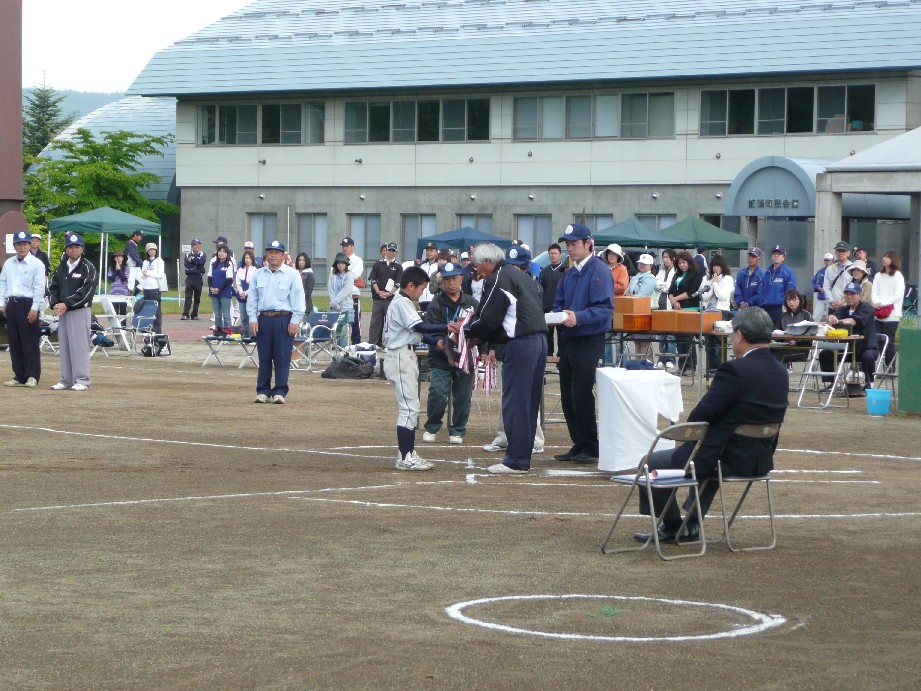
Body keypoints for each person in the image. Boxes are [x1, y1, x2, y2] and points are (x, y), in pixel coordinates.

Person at [631, 307, 788, 544]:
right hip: (758, 458)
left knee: (651, 462)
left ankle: (674, 525)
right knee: (710, 457)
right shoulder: (780, 371)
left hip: (725, 457)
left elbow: (702, 414)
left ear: (739, 335)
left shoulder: (735, 370)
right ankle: (691, 524)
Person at [463, 243, 547, 474]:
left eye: (478, 265)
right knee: (528, 402)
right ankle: (522, 454)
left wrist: (467, 332)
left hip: (520, 344)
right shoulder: (521, 277)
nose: (476, 270)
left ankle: (517, 460)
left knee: (515, 402)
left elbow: (489, 317)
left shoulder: (499, 278)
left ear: (488, 262)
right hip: (538, 341)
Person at [550, 224, 614, 464]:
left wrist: (578, 316)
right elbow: (558, 303)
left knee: (581, 393)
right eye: (567, 244)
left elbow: (605, 308)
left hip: (588, 338)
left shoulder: (600, 270)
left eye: (573, 244)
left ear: (588, 243)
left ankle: (590, 444)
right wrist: (557, 315)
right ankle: (579, 442)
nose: (570, 249)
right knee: (567, 394)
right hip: (568, 338)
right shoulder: (568, 274)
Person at [383, 266, 449, 471]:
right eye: (420, 288)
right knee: (409, 408)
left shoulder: (404, 302)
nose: (421, 293)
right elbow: (420, 327)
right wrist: (447, 327)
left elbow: (417, 333)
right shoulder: (402, 302)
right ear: (410, 285)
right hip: (400, 355)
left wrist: (435, 342)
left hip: (405, 354)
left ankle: (408, 453)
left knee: (412, 407)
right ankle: (405, 457)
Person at [422, 261, 478, 444]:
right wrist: (445, 348)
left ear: (461, 278)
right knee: (438, 393)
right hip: (440, 358)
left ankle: (458, 429)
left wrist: (483, 350)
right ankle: (432, 426)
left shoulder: (471, 303)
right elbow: (429, 331)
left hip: (465, 358)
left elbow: (481, 329)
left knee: (463, 396)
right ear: (441, 282)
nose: (451, 283)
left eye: (454, 278)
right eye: (447, 280)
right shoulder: (436, 304)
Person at [247, 239, 305, 404]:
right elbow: (253, 298)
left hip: (284, 319)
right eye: (270, 252)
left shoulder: (292, 274)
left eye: (277, 253)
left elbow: (298, 300)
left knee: (282, 356)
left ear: (283, 256)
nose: (273, 256)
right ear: (266, 255)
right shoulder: (258, 274)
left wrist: (295, 321)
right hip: (264, 318)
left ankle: (280, 390)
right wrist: (252, 318)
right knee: (264, 356)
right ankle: (263, 391)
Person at [48, 233, 96, 391]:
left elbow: (86, 291)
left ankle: (82, 379)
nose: (74, 250)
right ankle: (66, 379)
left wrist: (66, 304)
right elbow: (52, 287)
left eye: (77, 247)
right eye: (70, 247)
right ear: (66, 249)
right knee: (65, 345)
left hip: (78, 311)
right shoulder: (61, 267)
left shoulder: (88, 267)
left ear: (82, 249)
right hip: (62, 311)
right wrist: (55, 304)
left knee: (79, 346)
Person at [0, 230, 45, 387]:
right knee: (14, 341)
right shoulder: (8, 263)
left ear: (30, 245)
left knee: (29, 341)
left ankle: (32, 375)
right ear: (14, 246)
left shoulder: (37, 264)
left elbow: (39, 287)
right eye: (19, 244)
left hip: (28, 303)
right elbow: (3, 283)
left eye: (25, 244)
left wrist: (35, 308)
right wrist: (2, 303)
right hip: (12, 303)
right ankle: (19, 375)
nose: (22, 247)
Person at [821, 281, 878, 393]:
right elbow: (836, 315)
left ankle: (869, 383)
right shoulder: (844, 309)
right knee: (825, 354)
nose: (849, 297)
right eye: (847, 294)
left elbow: (853, 321)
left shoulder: (868, 308)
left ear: (860, 295)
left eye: (853, 294)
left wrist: (838, 321)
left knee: (868, 357)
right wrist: (832, 316)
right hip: (849, 349)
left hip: (866, 347)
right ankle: (833, 383)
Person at [668, 250, 704, 373]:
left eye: (684, 263)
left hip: (690, 308)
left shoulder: (695, 273)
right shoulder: (677, 275)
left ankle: (690, 366)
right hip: (677, 309)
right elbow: (670, 290)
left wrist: (676, 299)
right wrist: (673, 301)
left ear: (689, 262)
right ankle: (681, 365)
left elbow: (692, 291)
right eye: (679, 263)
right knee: (679, 339)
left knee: (688, 339)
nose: (682, 265)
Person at [699, 254, 733, 372]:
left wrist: (715, 284)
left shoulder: (727, 279)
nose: (715, 269)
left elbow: (723, 296)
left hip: (722, 312)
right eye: (713, 266)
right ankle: (710, 368)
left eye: (718, 266)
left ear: (722, 267)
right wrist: (712, 284)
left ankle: (718, 368)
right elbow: (705, 297)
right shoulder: (710, 279)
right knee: (709, 340)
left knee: (718, 340)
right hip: (709, 311)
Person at [871, 251, 905, 367]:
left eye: (888, 257)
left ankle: (890, 367)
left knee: (888, 341)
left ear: (894, 260)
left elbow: (897, 295)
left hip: (892, 314)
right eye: (884, 256)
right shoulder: (878, 275)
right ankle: (883, 365)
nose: (884, 259)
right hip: (878, 313)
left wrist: (883, 303)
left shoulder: (898, 276)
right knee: (879, 341)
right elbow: (874, 292)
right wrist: (876, 302)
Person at [368, 241, 403, 347]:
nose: (391, 252)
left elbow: (398, 282)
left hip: (390, 299)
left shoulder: (398, 266)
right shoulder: (378, 264)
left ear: (396, 252)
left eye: (393, 250)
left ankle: (389, 343)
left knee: (391, 322)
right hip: (378, 298)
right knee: (375, 322)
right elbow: (373, 279)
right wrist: (378, 291)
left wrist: (389, 293)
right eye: (389, 250)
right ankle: (374, 343)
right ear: (385, 251)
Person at [625, 253, 658, 361]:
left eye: (645, 264)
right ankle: (638, 365)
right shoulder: (635, 277)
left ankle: (646, 365)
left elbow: (642, 295)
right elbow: (627, 292)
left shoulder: (651, 278)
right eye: (640, 263)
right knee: (636, 341)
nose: (642, 265)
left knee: (644, 341)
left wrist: (631, 296)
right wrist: (628, 296)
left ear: (650, 266)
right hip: (634, 311)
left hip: (646, 311)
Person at [602, 243, 629, 366]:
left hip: (619, 307)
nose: (611, 256)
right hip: (605, 307)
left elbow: (622, 287)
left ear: (618, 256)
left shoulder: (622, 269)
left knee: (619, 338)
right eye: (609, 253)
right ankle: (607, 363)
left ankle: (621, 362)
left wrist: (606, 285)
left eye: (614, 254)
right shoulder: (603, 268)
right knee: (606, 337)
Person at [539, 243, 566, 357]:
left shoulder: (565, 271)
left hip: (560, 307)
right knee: (547, 333)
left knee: (561, 333)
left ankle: (561, 354)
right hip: (546, 306)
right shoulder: (544, 271)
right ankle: (548, 353)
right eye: (551, 253)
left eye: (555, 253)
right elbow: (540, 289)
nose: (553, 256)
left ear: (560, 255)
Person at [762, 245, 797, 329]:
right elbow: (762, 290)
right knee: (767, 330)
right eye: (774, 254)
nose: (776, 256)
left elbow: (791, 291)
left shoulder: (787, 272)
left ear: (783, 257)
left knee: (780, 331)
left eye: (779, 254)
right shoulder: (767, 272)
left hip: (780, 307)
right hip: (766, 307)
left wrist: (787, 305)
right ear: (771, 257)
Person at [338, 237, 364, 345]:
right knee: (341, 319)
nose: (345, 248)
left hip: (353, 294)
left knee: (355, 320)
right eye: (343, 246)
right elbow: (334, 276)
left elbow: (355, 276)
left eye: (347, 246)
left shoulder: (358, 260)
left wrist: (344, 277)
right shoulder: (338, 259)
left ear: (353, 247)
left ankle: (356, 342)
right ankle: (341, 342)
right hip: (340, 295)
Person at [655, 249, 678, 369]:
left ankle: (671, 358)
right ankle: (661, 358)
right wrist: (662, 286)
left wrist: (662, 286)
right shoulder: (661, 271)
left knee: (670, 335)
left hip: (670, 306)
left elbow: (670, 286)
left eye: (667, 257)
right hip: (660, 305)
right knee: (661, 334)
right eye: (663, 257)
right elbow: (655, 283)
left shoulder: (676, 272)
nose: (665, 259)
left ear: (673, 258)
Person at [328, 252, 356, 349]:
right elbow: (330, 289)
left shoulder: (349, 275)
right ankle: (335, 350)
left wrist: (336, 301)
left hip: (346, 307)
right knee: (335, 329)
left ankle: (343, 350)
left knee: (343, 330)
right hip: (334, 307)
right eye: (338, 263)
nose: (340, 265)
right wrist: (334, 303)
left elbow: (346, 290)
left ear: (346, 264)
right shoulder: (332, 275)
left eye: (342, 263)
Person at [208, 244, 235, 336]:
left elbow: (229, 279)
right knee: (217, 314)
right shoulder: (214, 264)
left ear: (227, 254)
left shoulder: (229, 264)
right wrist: (211, 288)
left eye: (223, 251)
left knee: (226, 314)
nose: (221, 253)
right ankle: (218, 331)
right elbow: (210, 276)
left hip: (224, 292)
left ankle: (229, 332)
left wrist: (219, 289)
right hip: (214, 292)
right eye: (220, 251)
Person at [139, 242, 165, 333]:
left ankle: (157, 329)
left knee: (156, 309)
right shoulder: (145, 262)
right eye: (150, 250)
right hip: (146, 288)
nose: (152, 251)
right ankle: (148, 328)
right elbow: (142, 274)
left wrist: (149, 273)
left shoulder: (159, 261)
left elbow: (161, 274)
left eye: (153, 249)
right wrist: (144, 275)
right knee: (147, 308)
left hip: (155, 288)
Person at [823, 241, 853, 313]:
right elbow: (826, 287)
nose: (841, 253)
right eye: (839, 250)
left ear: (848, 253)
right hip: (832, 306)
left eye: (843, 251)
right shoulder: (829, 269)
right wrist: (831, 301)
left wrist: (842, 302)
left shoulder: (853, 268)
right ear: (835, 252)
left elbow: (853, 289)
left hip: (847, 306)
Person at [234, 250, 258, 338]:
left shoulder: (255, 271)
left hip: (251, 296)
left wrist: (246, 292)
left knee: (251, 316)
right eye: (246, 258)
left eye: (249, 258)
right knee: (243, 317)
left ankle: (252, 336)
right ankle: (245, 336)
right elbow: (238, 283)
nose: (247, 260)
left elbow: (254, 285)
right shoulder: (240, 270)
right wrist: (241, 292)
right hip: (241, 297)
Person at [182, 238, 207, 320]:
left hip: (198, 277)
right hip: (190, 277)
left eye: (199, 245)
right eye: (196, 245)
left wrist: (193, 259)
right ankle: (185, 313)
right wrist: (196, 263)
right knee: (188, 296)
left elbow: (201, 263)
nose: (197, 246)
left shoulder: (202, 254)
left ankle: (194, 313)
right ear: (192, 246)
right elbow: (187, 266)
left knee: (197, 296)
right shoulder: (187, 254)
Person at [107, 251, 131, 317]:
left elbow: (124, 278)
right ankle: (115, 327)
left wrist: (119, 270)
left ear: (123, 258)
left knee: (123, 312)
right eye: (116, 256)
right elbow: (112, 278)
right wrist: (116, 270)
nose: (118, 258)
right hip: (114, 293)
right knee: (114, 313)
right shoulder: (111, 268)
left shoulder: (126, 267)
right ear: (114, 258)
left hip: (123, 293)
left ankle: (123, 326)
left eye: (120, 256)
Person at [811, 252, 834, 322]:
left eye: (829, 260)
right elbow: (814, 282)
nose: (827, 262)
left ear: (832, 260)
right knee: (815, 316)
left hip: (831, 298)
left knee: (829, 317)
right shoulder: (820, 272)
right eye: (826, 260)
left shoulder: (835, 271)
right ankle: (812, 329)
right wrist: (819, 288)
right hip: (821, 297)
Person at [418, 241, 440, 312]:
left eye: (431, 250)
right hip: (422, 299)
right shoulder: (422, 266)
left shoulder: (439, 266)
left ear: (436, 252)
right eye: (427, 250)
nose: (429, 252)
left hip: (434, 299)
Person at [125, 230, 143, 294]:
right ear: (135, 235)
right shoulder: (130, 243)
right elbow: (133, 255)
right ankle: (127, 299)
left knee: (143, 282)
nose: (141, 238)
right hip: (131, 266)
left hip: (136, 267)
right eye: (140, 236)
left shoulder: (134, 244)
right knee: (131, 283)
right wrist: (142, 263)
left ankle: (133, 296)